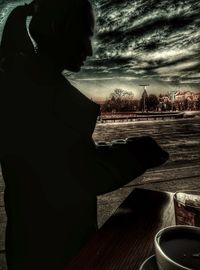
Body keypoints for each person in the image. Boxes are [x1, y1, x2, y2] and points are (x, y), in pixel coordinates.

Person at [0, 0, 169, 269]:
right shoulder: (41, 97)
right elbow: (81, 172)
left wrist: (22, 14)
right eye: (84, 36)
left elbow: (66, 155)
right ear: (57, 28)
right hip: (56, 250)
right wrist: (141, 151)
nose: (89, 50)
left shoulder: (17, 77)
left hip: (28, 241)